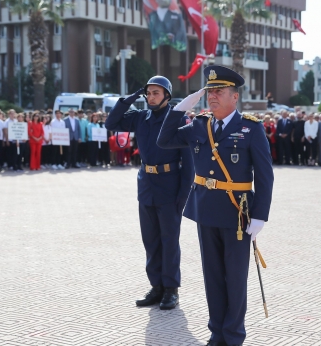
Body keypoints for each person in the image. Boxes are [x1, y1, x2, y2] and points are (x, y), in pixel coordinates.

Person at [157, 66, 274, 346]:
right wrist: (182, 106)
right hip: (206, 209)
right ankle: (217, 333)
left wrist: (260, 217)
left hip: (237, 213)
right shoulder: (199, 124)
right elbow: (164, 140)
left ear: (234, 97)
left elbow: (265, 175)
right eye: (209, 92)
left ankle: (233, 336)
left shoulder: (250, 127)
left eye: (219, 92)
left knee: (234, 278)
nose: (212, 97)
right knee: (212, 277)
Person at [105, 76, 194, 311]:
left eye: (156, 92)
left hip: (170, 186)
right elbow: (111, 123)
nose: (151, 97)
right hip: (146, 185)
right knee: (151, 240)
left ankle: (171, 290)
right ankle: (156, 287)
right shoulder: (140, 117)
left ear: (167, 95)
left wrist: (183, 196)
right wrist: (130, 99)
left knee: (169, 241)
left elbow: (189, 163)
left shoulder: (178, 119)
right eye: (148, 93)